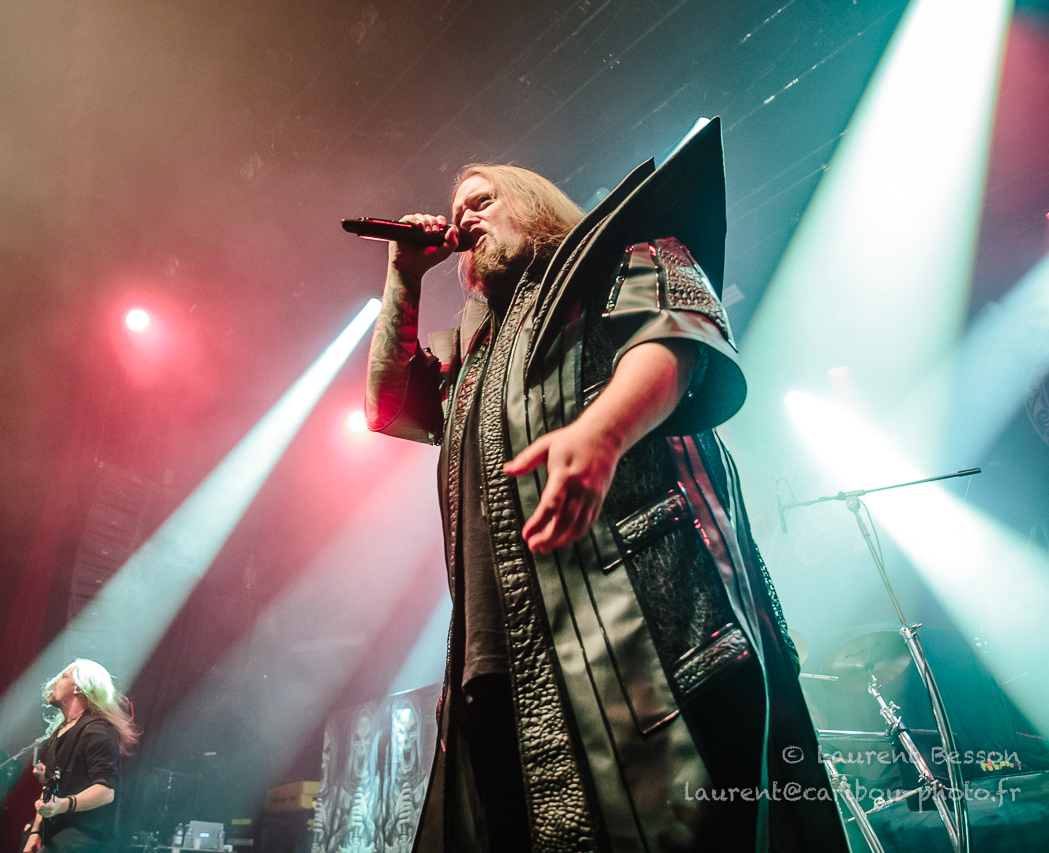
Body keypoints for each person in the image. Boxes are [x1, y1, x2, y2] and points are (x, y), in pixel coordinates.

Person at [363, 119, 847, 852]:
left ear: (532, 202)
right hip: (497, 657)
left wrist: (602, 433)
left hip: (653, 628)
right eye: (458, 210)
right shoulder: (468, 349)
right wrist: (404, 272)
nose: (466, 217)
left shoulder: (618, 252)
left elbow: (676, 333)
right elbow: (387, 406)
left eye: (483, 199)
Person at [23, 659, 139, 853]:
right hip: (56, 829)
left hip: (84, 834)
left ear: (78, 687)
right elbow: (50, 790)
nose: (54, 681)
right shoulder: (60, 732)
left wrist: (63, 805)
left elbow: (106, 791)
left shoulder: (96, 731)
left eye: (63, 676)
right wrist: (36, 831)